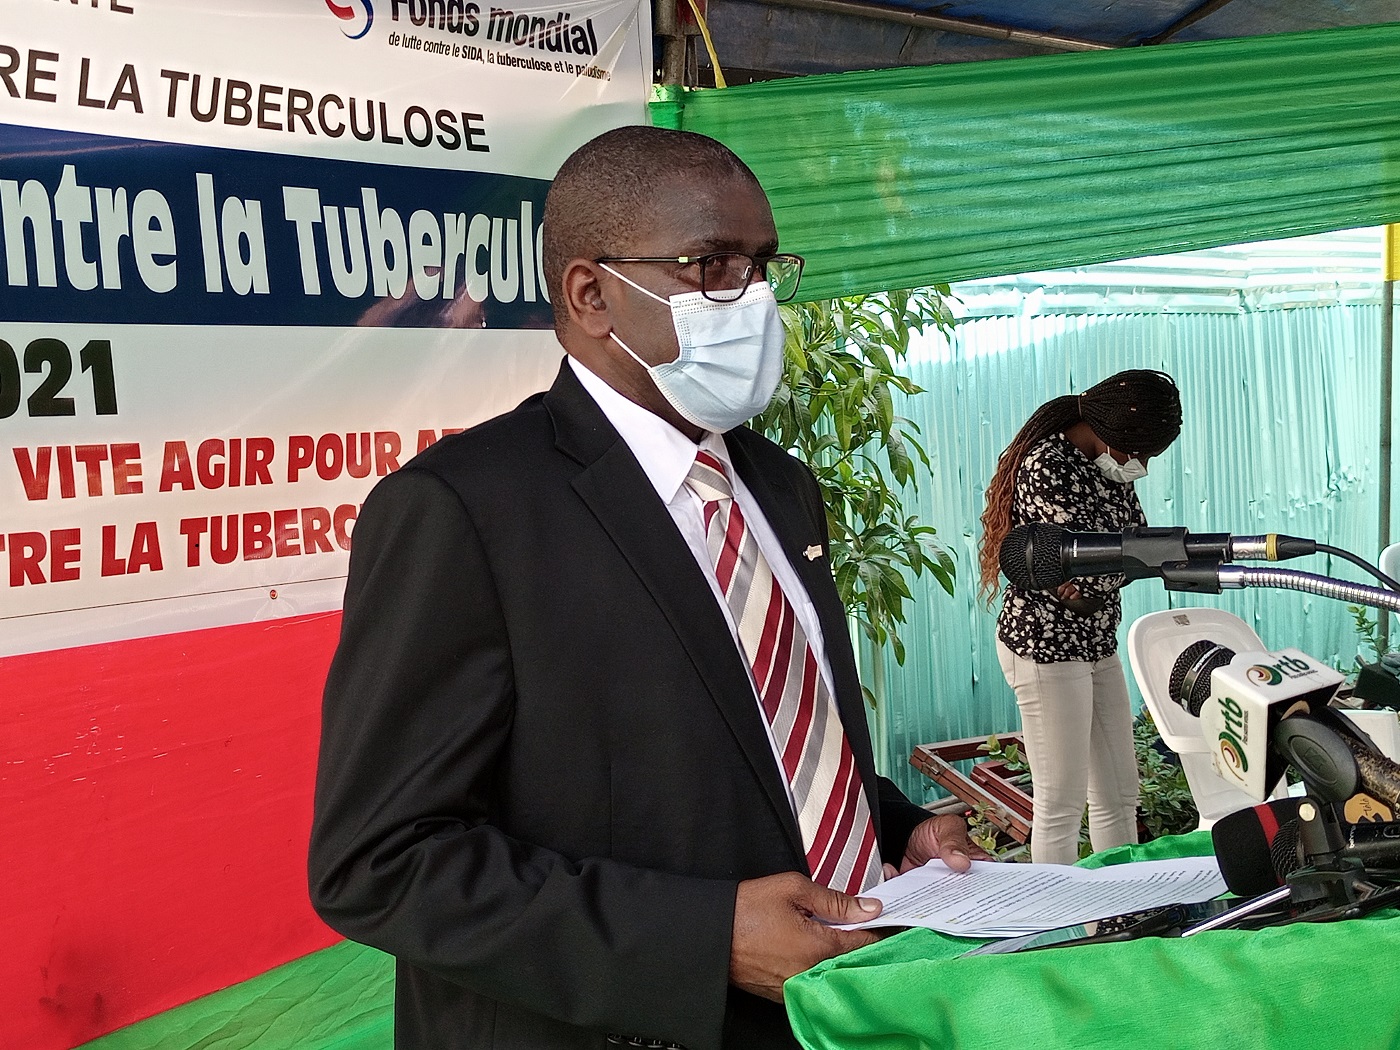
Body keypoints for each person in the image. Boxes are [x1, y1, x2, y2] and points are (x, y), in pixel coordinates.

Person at [308, 125, 984, 1050]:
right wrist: (702, 941)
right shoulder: (464, 511)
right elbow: (381, 862)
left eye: (762, 266)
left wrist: (890, 828)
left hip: (837, 1014)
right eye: (710, 266)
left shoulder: (780, 487)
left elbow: (754, 746)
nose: (749, 300)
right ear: (591, 294)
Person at [977, 369, 1182, 865]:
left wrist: (1102, 574)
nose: (1143, 467)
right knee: (1061, 804)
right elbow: (1088, 570)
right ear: (1114, 436)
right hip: (1045, 647)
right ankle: (1061, 932)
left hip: (1094, 638)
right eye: (1143, 454)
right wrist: (1106, 571)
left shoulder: (1104, 466)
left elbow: (1135, 551)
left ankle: (1119, 912)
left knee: (1119, 792)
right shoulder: (1047, 465)